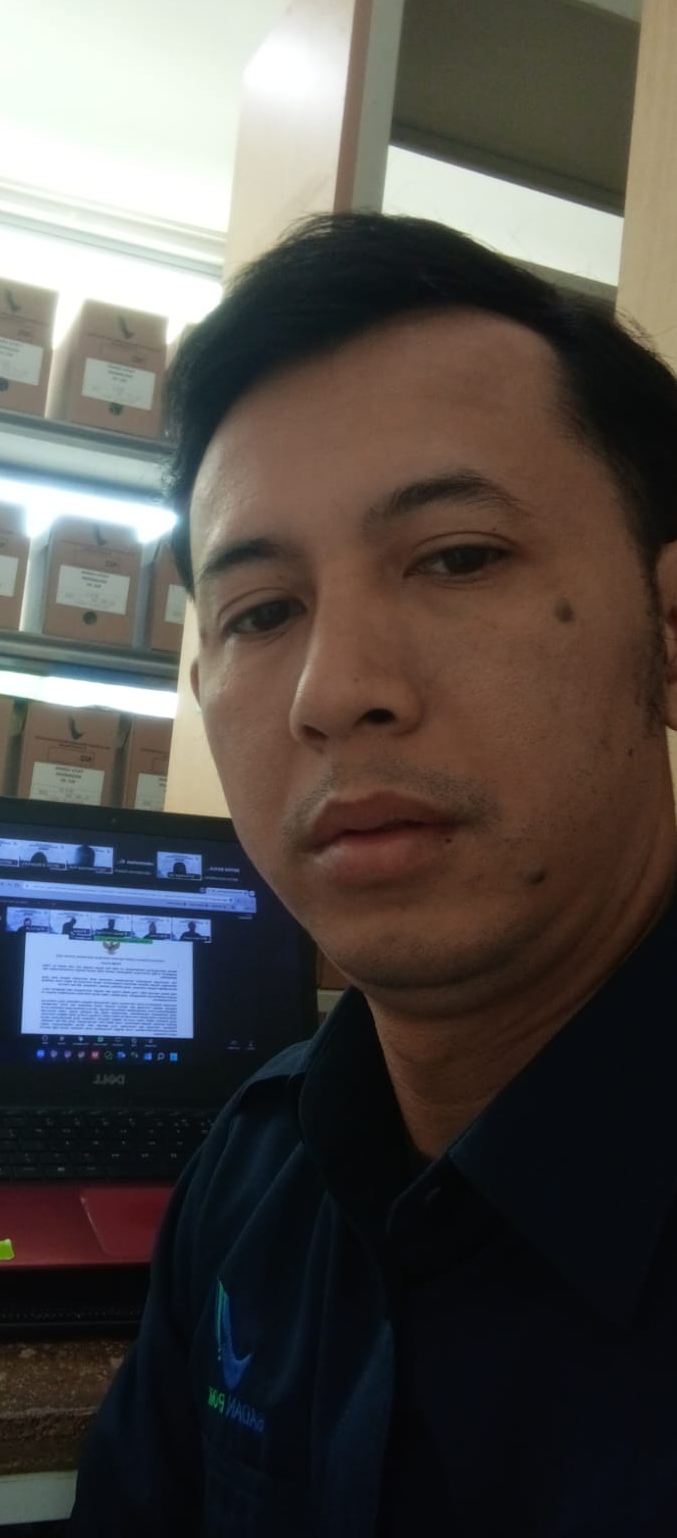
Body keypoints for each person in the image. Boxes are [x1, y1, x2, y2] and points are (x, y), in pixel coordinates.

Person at [67, 213, 677, 1536]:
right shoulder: (255, 1172)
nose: (335, 692)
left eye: (457, 558)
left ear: (669, 629)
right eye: (262, 613)